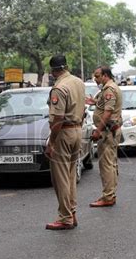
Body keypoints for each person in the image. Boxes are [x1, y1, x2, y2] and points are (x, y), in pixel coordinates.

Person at [45, 54, 85, 230]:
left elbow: (58, 119)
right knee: (70, 176)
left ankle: (65, 217)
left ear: (54, 71)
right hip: (77, 130)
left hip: (64, 132)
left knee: (61, 178)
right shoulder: (78, 82)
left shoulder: (59, 88)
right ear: (66, 67)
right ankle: (72, 213)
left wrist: (51, 142)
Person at [86, 66, 122, 207]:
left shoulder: (109, 89)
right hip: (109, 131)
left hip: (107, 132)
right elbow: (105, 106)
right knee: (110, 164)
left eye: (97, 76)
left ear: (105, 75)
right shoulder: (107, 88)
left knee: (106, 165)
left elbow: (107, 113)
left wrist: (97, 130)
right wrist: (95, 102)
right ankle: (110, 194)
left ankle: (108, 197)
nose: (95, 79)